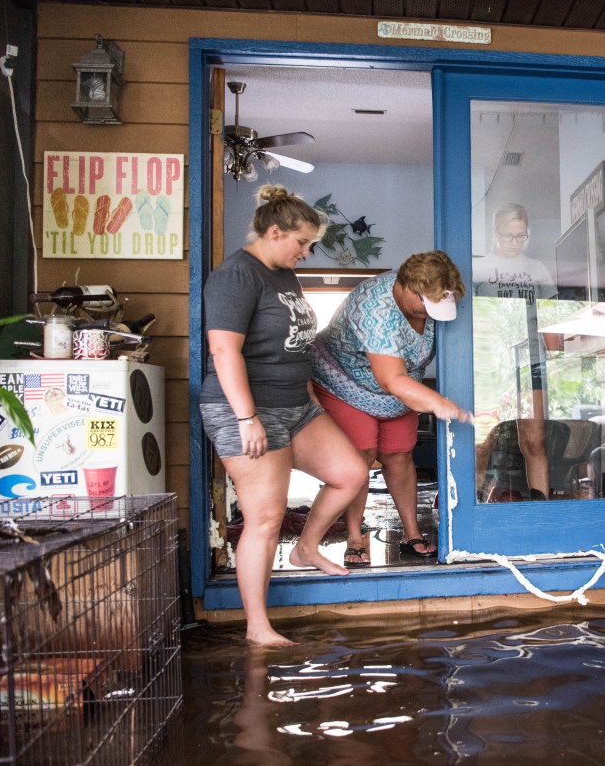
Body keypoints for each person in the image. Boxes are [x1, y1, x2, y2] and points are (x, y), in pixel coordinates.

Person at [200, 184, 368, 647]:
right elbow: (222, 349)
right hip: (247, 409)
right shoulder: (236, 276)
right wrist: (246, 417)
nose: (307, 251)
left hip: (296, 404)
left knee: (351, 473)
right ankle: (258, 627)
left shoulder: (283, 274)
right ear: (274, 232)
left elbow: (293, 344)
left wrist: (310, 396)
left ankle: (306, 549)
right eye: (302, 243)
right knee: (265, 517)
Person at [311, 250, 472, 567]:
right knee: (361, 456)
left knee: (399, 454)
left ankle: (411, 532)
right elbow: (392, 379)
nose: (430, 317)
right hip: (346, 382)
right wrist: (439, 403)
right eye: (428, 307)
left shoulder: (430, 297)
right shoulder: (376, 307)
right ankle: (356, 537)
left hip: (399, 388)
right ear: (410, 289)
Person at [472, 203, 560, 501]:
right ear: (495, 232)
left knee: (534, 441)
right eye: (509, 236)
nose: (514, 242)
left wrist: (559, 361)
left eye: (521, 236)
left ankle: (542, 506)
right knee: (482, 441)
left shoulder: (537, 269)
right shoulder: (478, 267)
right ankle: (474, 504)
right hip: (490, 364)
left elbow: (552, 319)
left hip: (530, 363)